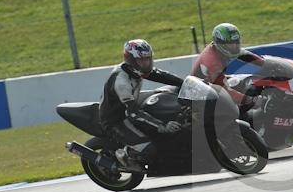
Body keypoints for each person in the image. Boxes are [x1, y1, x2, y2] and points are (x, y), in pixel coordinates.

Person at [99, 39, 185, 171]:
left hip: (130, 108)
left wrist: (185, 83)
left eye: (148, 59)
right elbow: (133, 113)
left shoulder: (137, 71)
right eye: (141, 60)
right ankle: (125, 156)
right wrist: (162, 126)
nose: (146, 63)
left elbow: (160, 75)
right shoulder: (121, 81)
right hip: (116, 119)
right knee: (148, 149)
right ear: (130, 60)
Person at [190, 23, 266, 108]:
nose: (234, 46)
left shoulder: (219, 48)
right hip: (202, 97)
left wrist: (265, 63)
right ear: (220, 43)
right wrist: (251, 100)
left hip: (213, 86)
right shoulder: (213, 62)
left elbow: (245, 55)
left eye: (236, 42)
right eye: (231, 43)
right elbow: (225, 92)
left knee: (248, 81)